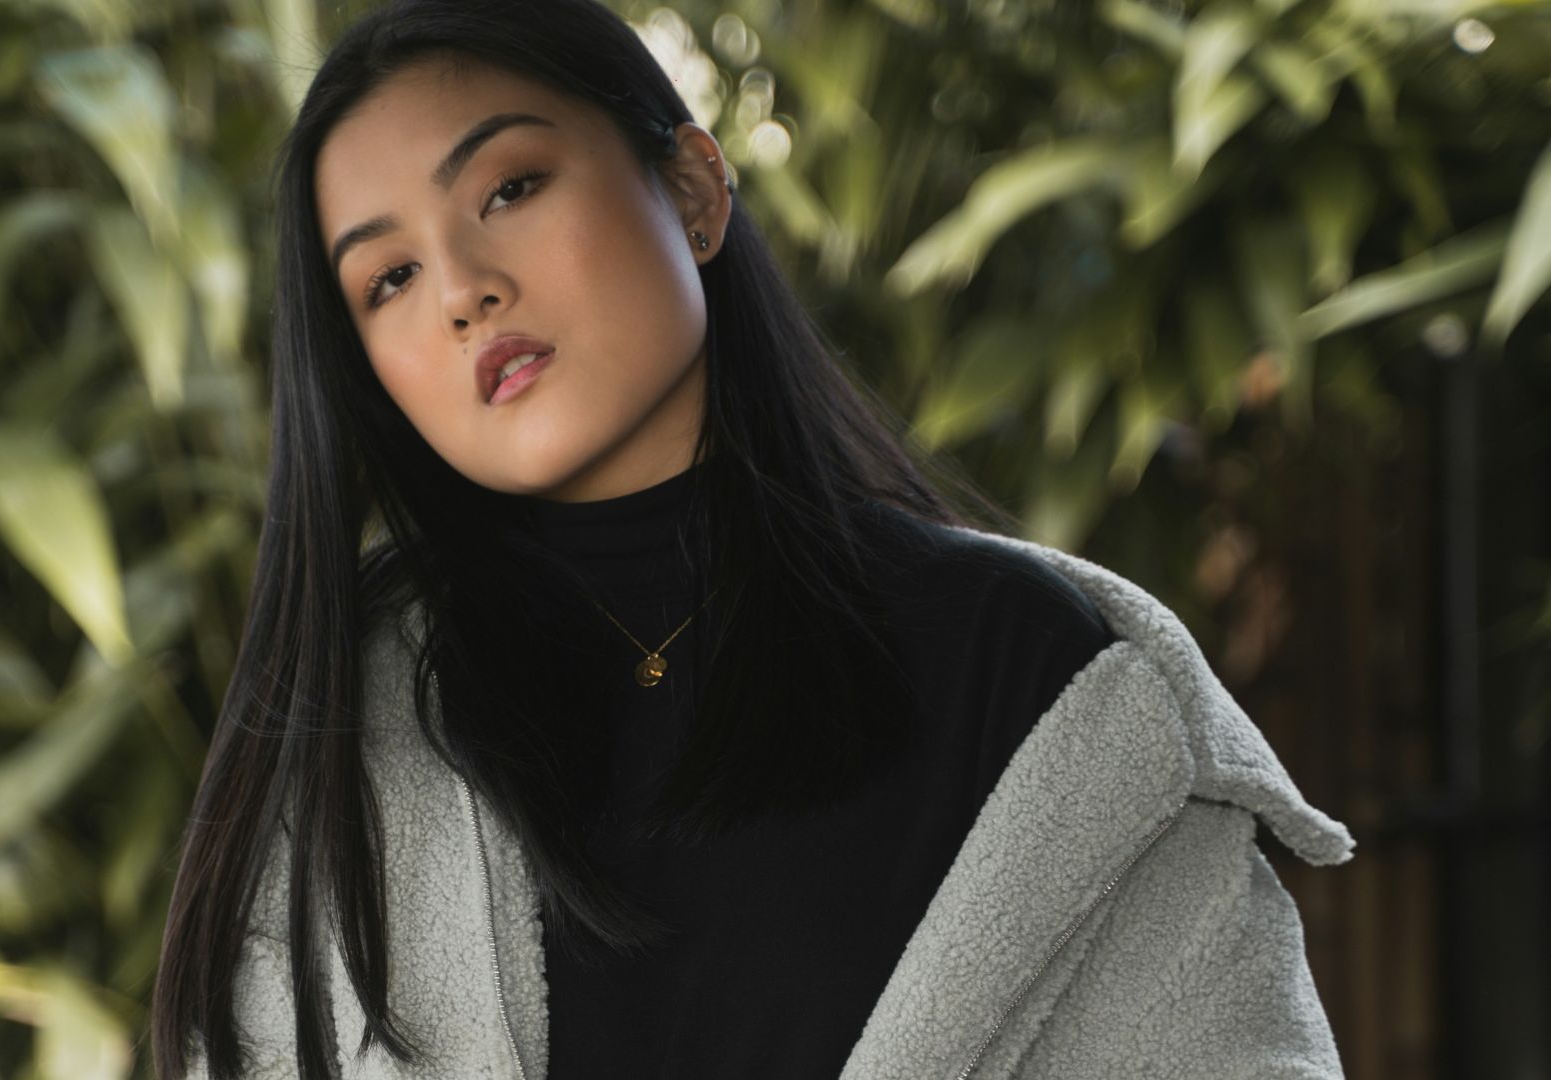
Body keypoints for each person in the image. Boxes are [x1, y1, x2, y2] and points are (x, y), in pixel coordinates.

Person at [151, 0, 1356, 1076]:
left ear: (692, 188)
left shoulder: (1041, 673)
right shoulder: (344, 725)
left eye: (509, 189)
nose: (463, 286)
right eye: (390, 278)